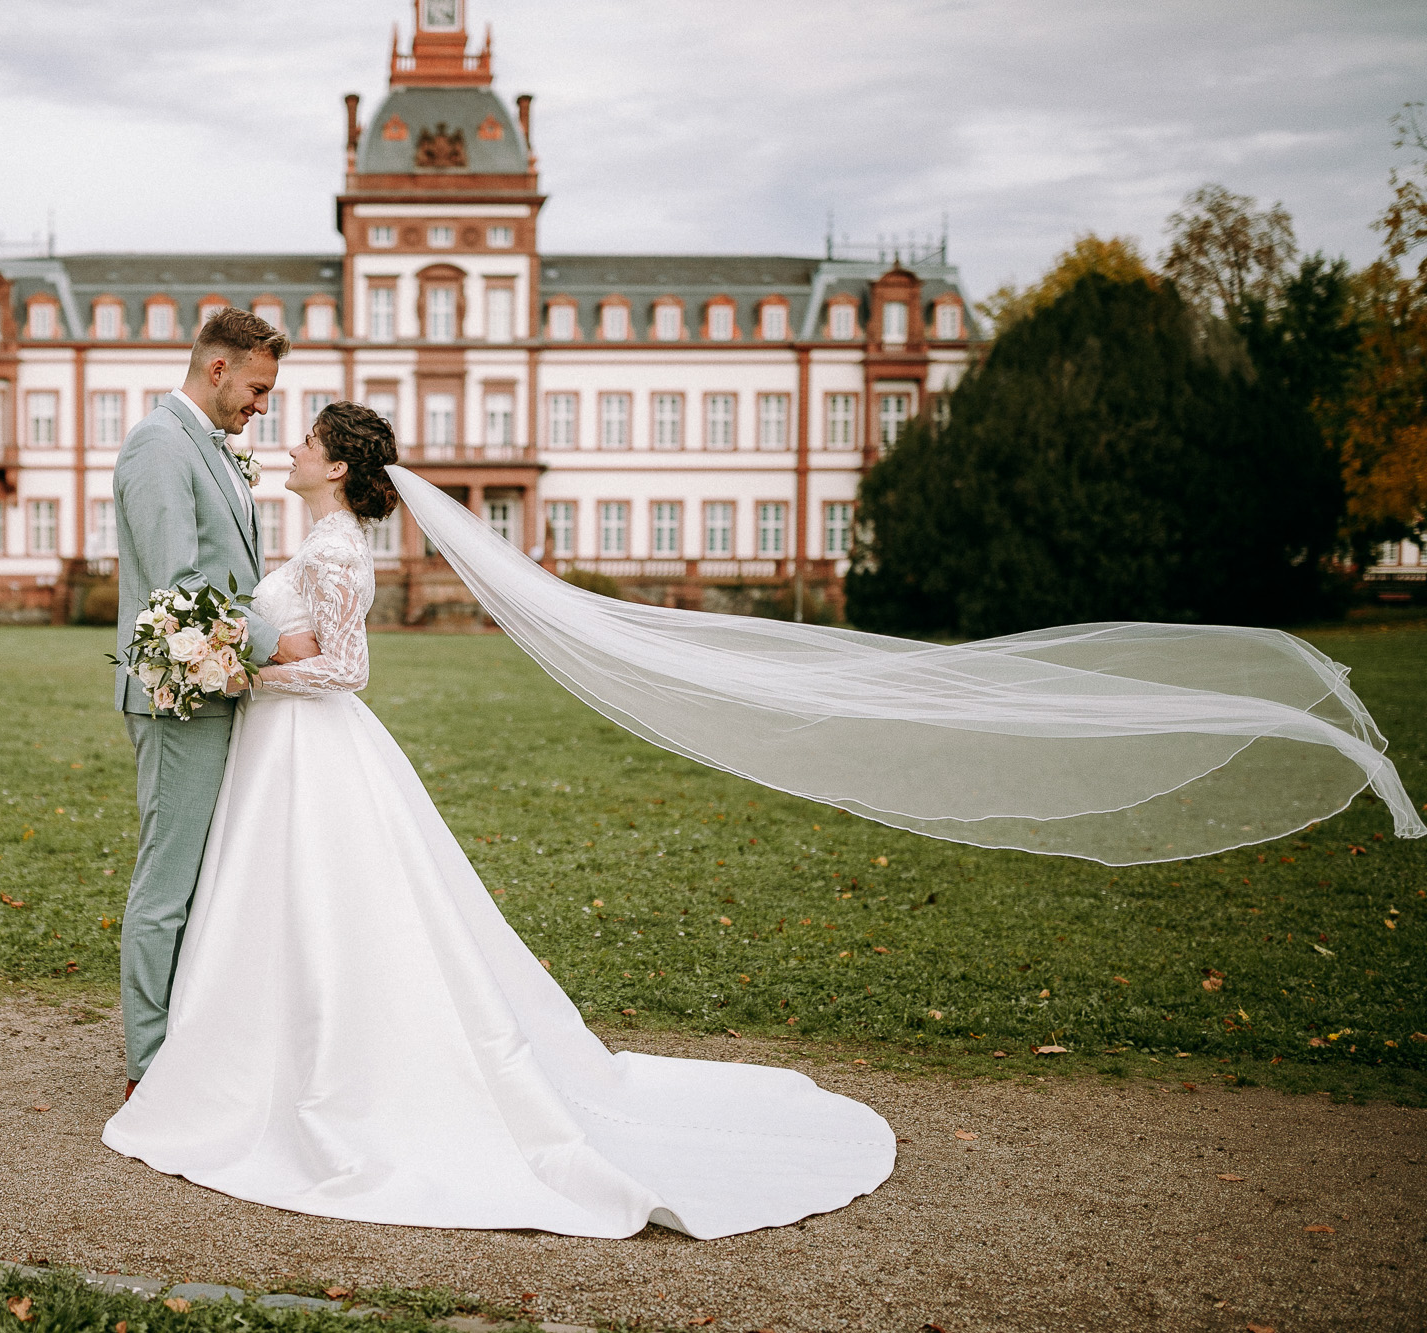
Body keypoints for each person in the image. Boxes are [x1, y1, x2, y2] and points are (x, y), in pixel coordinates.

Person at [102, 402, 896, 1240]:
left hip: (307, 738)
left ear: (337, 467)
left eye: (307, 441)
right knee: (275, 899)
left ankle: (314, 1060)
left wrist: (248, 679)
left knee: (320, 896)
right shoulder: (317, 542)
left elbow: (349, 669)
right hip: (284, 750)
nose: (291, 448)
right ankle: (254, 1047)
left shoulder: (336, 550)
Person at [111, 308, 319, 1103]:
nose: (261, 406)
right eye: (258, 388)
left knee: (208, 878)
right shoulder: (159, 444)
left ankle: (188, 1040)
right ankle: (148, 1067)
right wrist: (276, 642)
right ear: (218, 367)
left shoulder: (209, 446)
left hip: (215, 687)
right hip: (176, 698)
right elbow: (178, 583)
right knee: (168, 883)